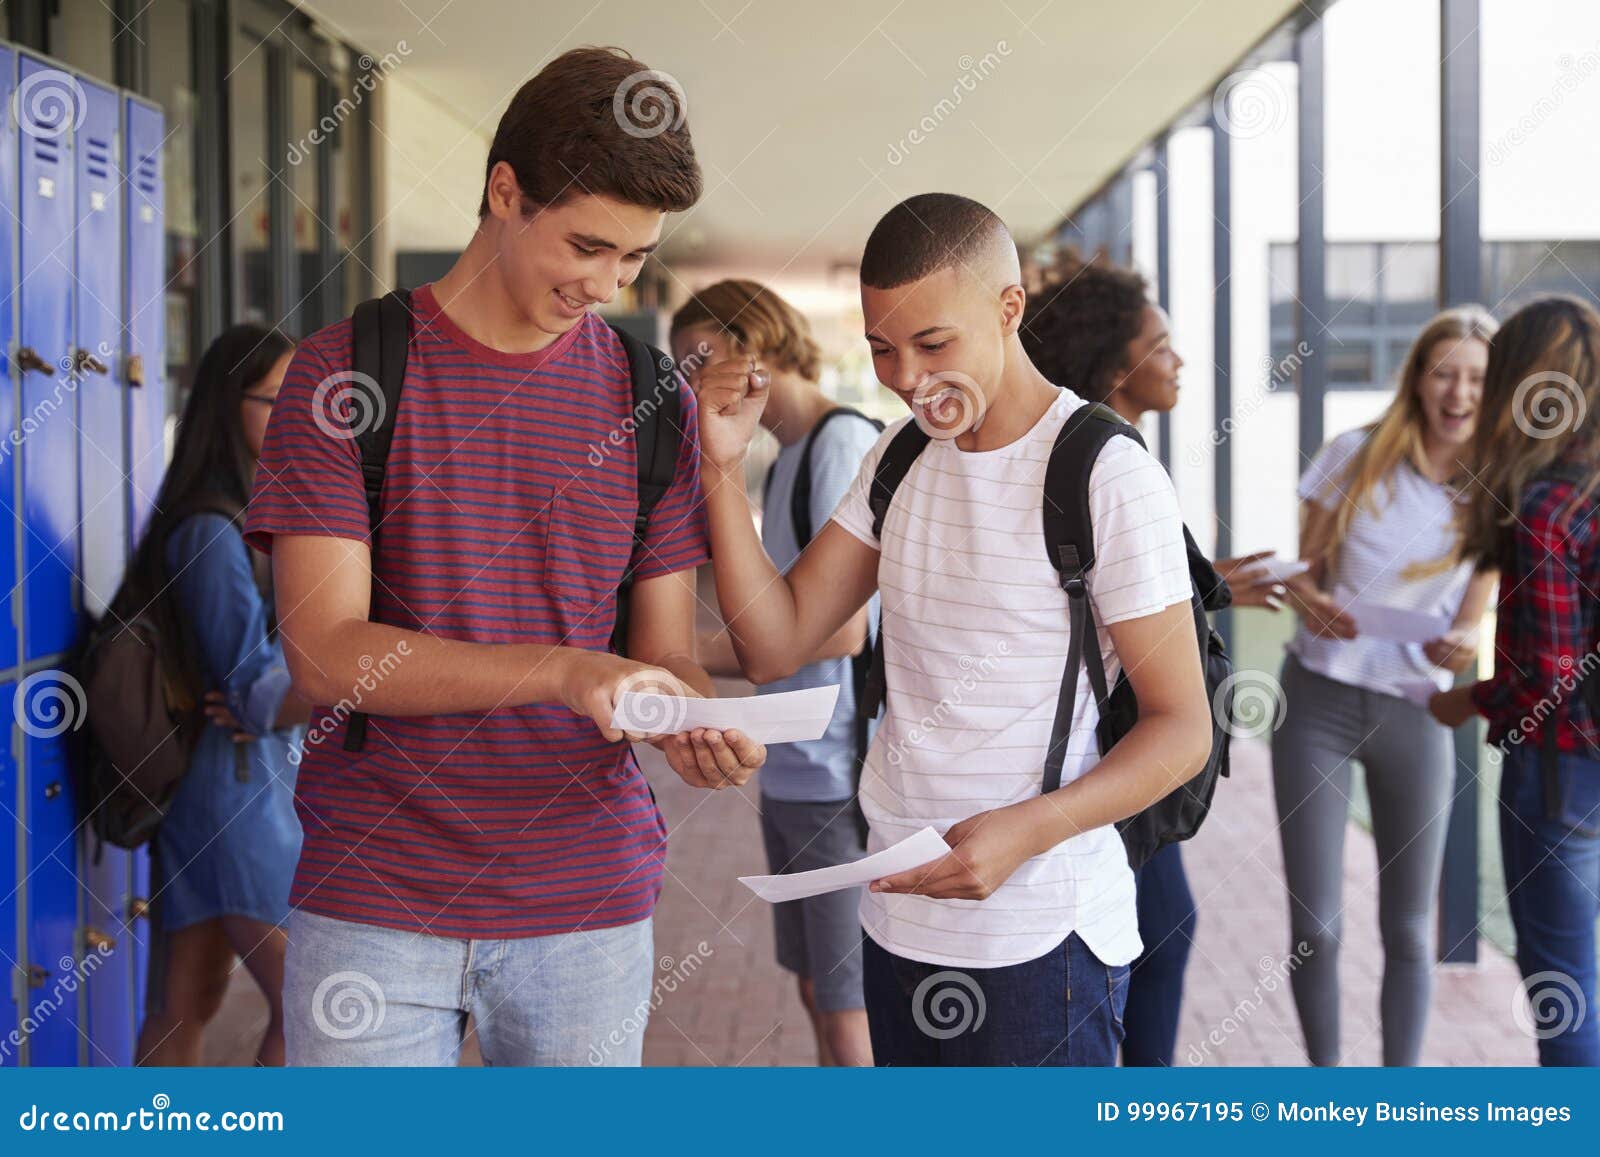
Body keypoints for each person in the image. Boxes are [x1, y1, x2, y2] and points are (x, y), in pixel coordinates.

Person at [243, 46, 765, 1067]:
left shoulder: (651, 400)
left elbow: (665, 650)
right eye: (588, 245)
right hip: (376, 895)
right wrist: (564, 670)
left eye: (634, 258)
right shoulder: (346, 372)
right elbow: (324, 653)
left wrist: (689, 718)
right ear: (504, 190)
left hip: (586, 900)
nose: (609, 284)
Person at [691, 193, 1212, 1067]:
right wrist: (719, 465)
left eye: (934, 345)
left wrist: (1027, 829)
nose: (905, 376)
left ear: (1008, 310)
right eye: (882, 349)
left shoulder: (1104, 472)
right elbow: (774, 641)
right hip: (896, 915)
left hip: (1041, 939)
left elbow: (1181, 727)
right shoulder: (896, 461)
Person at [1020, 250, 1283, 1066]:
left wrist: (1210, 584)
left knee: (1156, 930)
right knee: (1159, 933)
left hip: (1113, 750)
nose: (1177, 360)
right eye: (1162, 343)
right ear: (1118, 357)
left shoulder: (1091, 450)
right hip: (1114, 751)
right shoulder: (1104, 459)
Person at [1273, 306, 1500, 1066]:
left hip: (1414, 711)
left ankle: (1395, 1101)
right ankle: (1327, 1089)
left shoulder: (1495, 490)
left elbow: (1469, 634)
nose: (1458, 391)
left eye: (1476, 376)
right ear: (1419, 377)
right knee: (1316, 928)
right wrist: (1317, 603)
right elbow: (1303, 575)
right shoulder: (1353, 455)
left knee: (1409, 928)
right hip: (1319, 702)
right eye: (1445, 371)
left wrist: (1462, 641)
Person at [671, 280, 878, 1066]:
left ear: (754, 343)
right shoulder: (790, 452)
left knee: (847, 1009)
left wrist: (686, 653)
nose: (688, 382)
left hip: (835, 772)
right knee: (816, 990)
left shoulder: (839, 443)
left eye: (700, 359)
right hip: (795, 766)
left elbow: (844, 627)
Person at [133, 325, 311, 1066]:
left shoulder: (239, 515)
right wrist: (351, 684)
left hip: (224, 791)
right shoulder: (211, 531)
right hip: (235, 801)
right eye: (281, 400)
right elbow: (256, 696)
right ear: (226, 403)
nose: (300, 417)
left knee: (185, 1005)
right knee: (310, 1016)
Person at [1432, 294, 1600, 1067]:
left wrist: (1465, 698)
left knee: (1563, 988)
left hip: (1561, 772)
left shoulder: (1548, 502)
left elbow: (1547, 682)